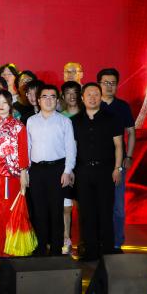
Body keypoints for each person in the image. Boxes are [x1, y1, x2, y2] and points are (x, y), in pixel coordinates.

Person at [71, 83, 123, 261]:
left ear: (101, 97)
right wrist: (72, 171)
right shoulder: (75, 121)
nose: (92, 98)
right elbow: (73, 148)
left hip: (106, 171)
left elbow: (118, 145)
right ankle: (90, 251)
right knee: (86, 212)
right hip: (83, 171)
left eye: (96, 94)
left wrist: (118, 168)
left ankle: (107, 250)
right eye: (89, 94)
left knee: (106, 211)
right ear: (82, 98)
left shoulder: (112, 118)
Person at [25, 84, 76, 256]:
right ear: (38, 100)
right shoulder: (31, 121)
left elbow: (71, 148)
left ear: (57, 100)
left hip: (57, 170)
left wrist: (67, 171)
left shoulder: (64, 121)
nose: (48, 100)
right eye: (44, 97)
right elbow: (28, 147)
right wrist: (27, 171)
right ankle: (40, 247)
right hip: (36, 170)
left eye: (52, 97)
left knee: (56, 211)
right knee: (38, 211)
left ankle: (55, 249)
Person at [0, 91, 30, 259]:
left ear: (10, 104)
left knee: (9, 212)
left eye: (4, 102)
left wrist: (23, 174)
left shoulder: (18, 126)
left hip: (11, 176)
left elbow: (23, 151)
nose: (1, 106)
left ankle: (9, 250)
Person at [97, 68, 135, 251]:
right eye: (105, 83)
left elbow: (131, 133)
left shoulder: (123, 107)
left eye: (113, 83)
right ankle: (98, 241)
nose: (109, 86)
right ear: (99, 84)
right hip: (96, 164)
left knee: (118, 206)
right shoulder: (93, 104)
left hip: (117, 163)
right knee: (97, 204)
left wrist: (129, 156)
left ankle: (117, 242)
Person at [59, 80, 82, 253]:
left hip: (84, 167)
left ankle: (85, 241)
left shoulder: (86, 115)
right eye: (68, 93)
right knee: (66, 206)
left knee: (84, 206)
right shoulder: (60, 118)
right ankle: (66, 240)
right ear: (63, 96)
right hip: (66, 167)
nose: (72, 96)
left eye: (75, 92)